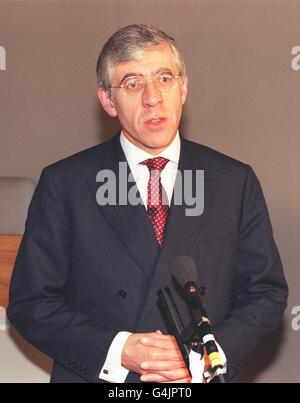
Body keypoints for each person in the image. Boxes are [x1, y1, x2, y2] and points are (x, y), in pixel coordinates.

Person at [7, 24, 288, 383]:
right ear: (108, 101)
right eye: (133, 83)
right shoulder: (65, 184)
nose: (152, 97)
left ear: (183, 88)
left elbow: (266, 293)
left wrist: (206, 355)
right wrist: (119, 350)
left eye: (164, 78)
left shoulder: (233, 181)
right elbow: (31, 303)